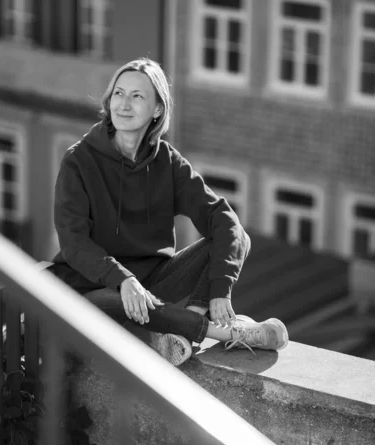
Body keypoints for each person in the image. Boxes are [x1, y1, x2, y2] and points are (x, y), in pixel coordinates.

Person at [50, 57, 288, 366]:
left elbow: (222, 218)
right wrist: (123, 280)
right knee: (113, 301)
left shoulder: (167, 162)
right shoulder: (78, 161)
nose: (124, 104)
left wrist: (220, 290)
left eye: (138, 96)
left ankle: (186, 328)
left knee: (236, 235)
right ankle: (230, 334)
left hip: (152, 283)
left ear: (157, 109)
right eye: (119, 94)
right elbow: (74, 243)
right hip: (92, 288)